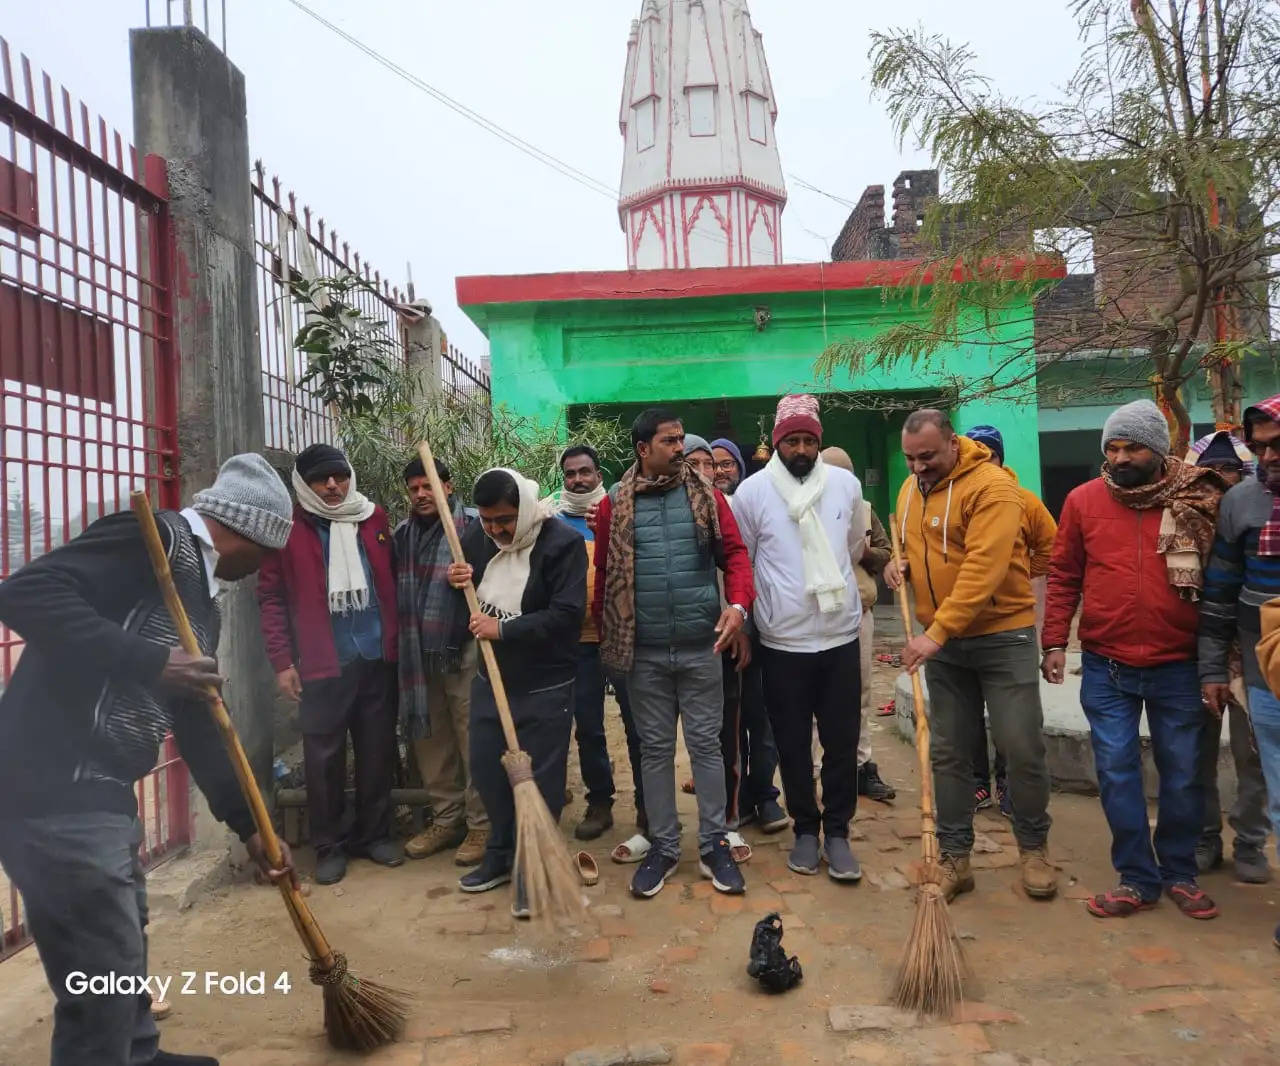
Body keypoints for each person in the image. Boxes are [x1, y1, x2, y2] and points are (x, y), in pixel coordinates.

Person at [0, 454, 299, 1066]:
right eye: (268, 553)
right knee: (100, 963)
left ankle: (135, 1053)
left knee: (119, 932)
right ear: (249, 533)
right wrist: (148, 660)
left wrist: (251, 825)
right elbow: (25, 593)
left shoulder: (201, 605)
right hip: (54, 782)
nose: (265, 568)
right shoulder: (152, 539)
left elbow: (199, 724)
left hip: (100, 788)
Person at [1043, 399, 1225, 920]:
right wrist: (1054, 641)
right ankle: (1136, 878)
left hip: (1179, 664)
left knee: (1184, 773)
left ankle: (1179, 872)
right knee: (1117, 772)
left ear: (1159, 450)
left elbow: (1223, 577)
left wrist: (1219, 660)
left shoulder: (1197, 499)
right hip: (1108, 665)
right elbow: (1064, 576)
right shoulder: (1082, 502)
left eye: (1133, 447)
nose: (1121, 458)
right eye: (1113, 448)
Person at [885, 409, 1056, 901]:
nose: (918, 467)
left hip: (1003, 637)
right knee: (948, 751)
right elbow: (918, 547)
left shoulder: (993, 489)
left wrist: (935, 632)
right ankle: (956, 855)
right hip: (946, 644)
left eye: (928, 457)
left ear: (954, 445)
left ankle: (1033, 849)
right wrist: (903, 566)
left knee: (1019, 745)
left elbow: (984, 565)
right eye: (910, 458)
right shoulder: (909, 490)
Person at [594, 408, 755, 898]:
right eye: (670, 441)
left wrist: (738, 607)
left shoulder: (707, 497)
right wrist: (610, 638)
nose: (680, 448)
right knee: (655, 749)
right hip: (642, 652)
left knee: (707, 746)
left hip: (700, 645)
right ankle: (664, 847)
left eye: (682, 438)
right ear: (643, 449)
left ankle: (713, 846)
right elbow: (603, 574)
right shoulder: (613, 505)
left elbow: (735, 555)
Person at [734, 397, 867, 881]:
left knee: (841, 741)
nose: (803, 449)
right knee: (790, 743)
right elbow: (743, 561)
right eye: (793, 440)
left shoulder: (845, 486)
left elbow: (853, 544)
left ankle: (838, 832)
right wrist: (750, 624)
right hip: (782, 641)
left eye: (810, 439)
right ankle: (806, 831)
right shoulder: (751, 494)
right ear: (777, 443)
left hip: (838, 636)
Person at [257, 444, 402, 886]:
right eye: (322, 479)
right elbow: (270, 599)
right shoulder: (287, 529)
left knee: (378, 750)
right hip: (323, 661)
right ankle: (329, 845)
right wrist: (282, 662)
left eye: (339, 476)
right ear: (304, 484)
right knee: (323, 757)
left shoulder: (372, 519)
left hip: (376, 655)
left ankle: (374, 835)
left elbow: (393, 575)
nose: (333, 486)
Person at [448, 468, 587, 917]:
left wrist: (503, 630)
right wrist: (457, 581)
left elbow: (567, 615)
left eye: (504, 520)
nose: (495, 531)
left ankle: (535, 867)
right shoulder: (477, 536)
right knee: (488, 770)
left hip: (545, 682)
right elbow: (468, 603)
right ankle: (501, 851)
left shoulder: (561, 543)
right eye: (487, 521)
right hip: (492, 679)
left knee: (540, 780)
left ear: (523, 511)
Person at [395, 456, 489, 867]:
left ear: (447, 487)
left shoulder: (472, 526)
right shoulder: (402, 535)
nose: (421, 495)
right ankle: (446, 819)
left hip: (463, 647)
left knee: (473, 738)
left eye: (428, 486)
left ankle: (481, 824)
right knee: (431, 739)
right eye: (414, 489)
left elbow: (499, 575)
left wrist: (473, 575)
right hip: (418, 653)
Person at [962, 425, 1057, 818]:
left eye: (992, 456)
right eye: (976, 455)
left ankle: (1009, 784)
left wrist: (1019, 572)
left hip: (1009, 626)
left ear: (1002, 459)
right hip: (961, 625)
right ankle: (977, 784)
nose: (984, 463)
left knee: (1013, 723)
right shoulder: (955, 499)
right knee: (965, 718)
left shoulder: (1023, 501)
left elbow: (1051, 547)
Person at [1197, 418, 1275, 884]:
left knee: (1255, 758)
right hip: (1205, 642)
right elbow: (1220, 591)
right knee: (1196, 753)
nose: (1220, 475)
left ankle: (1250, 841)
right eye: (1210, 468)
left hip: (1264, 656)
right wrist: (1211, 665)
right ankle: (1205, 837)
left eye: (1230, 467)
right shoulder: (1233, 505)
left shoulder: (1247, 500)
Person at [712, 437, 788, 833]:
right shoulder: (701, 510)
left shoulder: (755, 504)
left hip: (760, 627)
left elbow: (760, 567)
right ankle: (736, 797)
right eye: (714, 464)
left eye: (729, 464)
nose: (721, 471)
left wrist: (748, 623)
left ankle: (766, 795)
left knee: (763, 718)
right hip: (718, 634)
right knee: (727, 722)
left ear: (741, 468)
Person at [821, 445, 896, 804]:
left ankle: (861, 766)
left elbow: (886, 553)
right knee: (814, 699)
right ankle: (819, 771)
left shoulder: (865, 511)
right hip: (815, 616)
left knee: (860, 692)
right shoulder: (802, 509)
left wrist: (862, 552)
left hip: (859, 614)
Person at [552, 444, 617, 841]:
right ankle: (601, 801)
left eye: (584, 472)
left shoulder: (616, 511)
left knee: (640, 726)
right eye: (570, 474)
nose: (578, 479)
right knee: (587, 726)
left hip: (622, 637)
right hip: (577, 643)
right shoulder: (551, 520)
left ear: (598, 474)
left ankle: (649, 805)